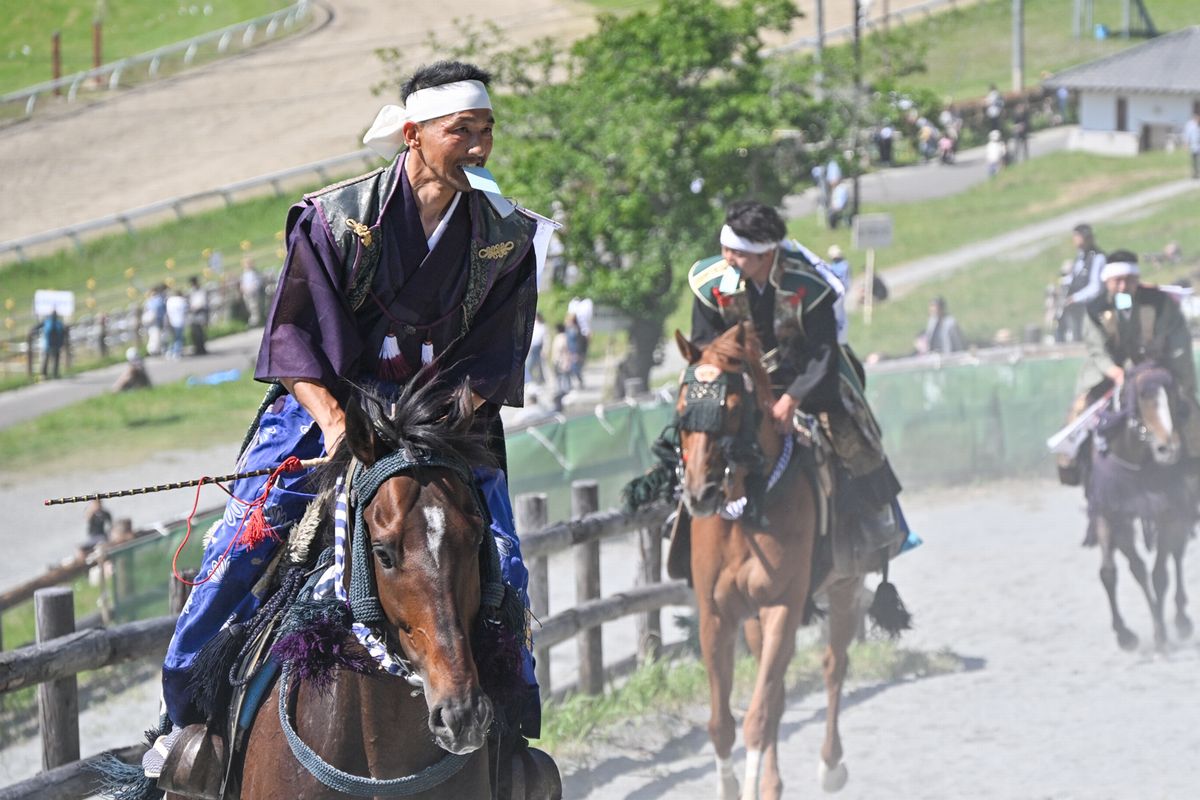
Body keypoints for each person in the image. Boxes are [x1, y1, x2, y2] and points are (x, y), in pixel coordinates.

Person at [149, 60, 556, 785]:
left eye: (487, 131)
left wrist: (434, 425)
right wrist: (338, 421)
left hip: (443, 423)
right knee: (244, 543)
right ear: (413, 135)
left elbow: (495, 360)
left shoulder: (507, 237)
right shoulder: (336, 221)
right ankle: (185, 727)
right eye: (461, 130)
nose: (479, 147)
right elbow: (294, 344)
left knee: (502, 559)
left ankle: (514, 744)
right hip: (329, 415)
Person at [688, 200, 902, 539]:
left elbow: (823, 353)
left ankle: (874, 513)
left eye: (738, 253)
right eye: (725, 249)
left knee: (848, 429)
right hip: (737, 377)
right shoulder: (712, 282)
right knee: (693, 421)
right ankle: (680, 508)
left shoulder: (808, 285)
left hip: (803, 377)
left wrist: (791, 400)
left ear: (765, 255)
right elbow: (702, 341)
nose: (728, 259)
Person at [1058, 223, 1107, 342]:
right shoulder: (1080, 258)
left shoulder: (1098, 258)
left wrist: (1076, 297)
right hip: (1076, 310)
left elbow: (1096, 287)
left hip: (1093, 308)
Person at [826, 244, 851, 344]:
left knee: (840, 316)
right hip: (837, 293)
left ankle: (840, 338)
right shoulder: (834, 266)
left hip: (838, 293)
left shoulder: (842, 265)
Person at [39, 309, 66, 379]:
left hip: (48, 344)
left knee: (46, 359)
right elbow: (63, 333)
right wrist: (62, 343)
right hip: (55, 344)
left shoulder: (47, 322)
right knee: (54, 359)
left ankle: (44, 375)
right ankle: (54, 374)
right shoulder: (58, 323)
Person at [239, 256, 265, 327]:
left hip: (253, 293)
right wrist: (243, 288)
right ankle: (253, 320)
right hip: (246, 293)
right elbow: (242, 282)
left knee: (254, 308)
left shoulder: (255, 273)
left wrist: (252, 287)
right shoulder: (244, 273)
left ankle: (256, 322)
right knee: (249, 308)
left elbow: (258, 282)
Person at [187, 276, 209, 356]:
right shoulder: (191, 291)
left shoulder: (201, 291)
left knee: (200, 333)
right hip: (193, 314)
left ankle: (202, 348)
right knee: (194, 333)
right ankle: (197, 348)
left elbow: (203, 303)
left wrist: (196, 307)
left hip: (200, 313)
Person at [165, 289, 188, 359]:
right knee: (178, 338)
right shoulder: (182, 300)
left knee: (173, 338)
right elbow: (186, 310)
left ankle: (169, 352)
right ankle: (176, 352)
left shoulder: (170, 300)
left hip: (170, 321)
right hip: (179, 322)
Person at [526, 310, 546, 384]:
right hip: (533, 347)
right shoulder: (533, 325)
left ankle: (540, 380)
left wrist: (544, 349)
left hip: (539, 347)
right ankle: (529, 380)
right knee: (530, 364)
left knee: (539, 365)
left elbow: (544, 339)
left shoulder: (542, 326)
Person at [1184, 112, 1200, 180]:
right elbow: (1187, 135)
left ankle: (1197, 173)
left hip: (1198, 145)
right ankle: (1195, 174)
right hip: (1193, 146)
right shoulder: (1190, 125)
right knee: (1194, 160)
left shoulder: (1198, 124)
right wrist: (1186, 144)